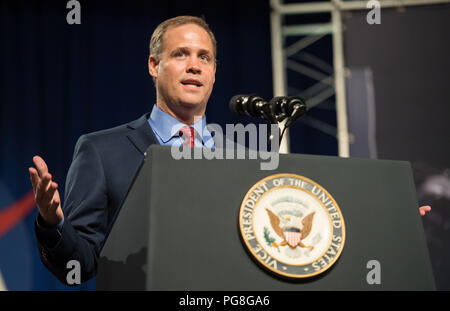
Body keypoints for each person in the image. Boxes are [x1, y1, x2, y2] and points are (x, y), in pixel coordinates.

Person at [29, 15, 431, 285]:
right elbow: (78, 266)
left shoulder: (246, 159)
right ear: (154, 65)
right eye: (180, 54)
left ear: (215, 72)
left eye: (204, 57)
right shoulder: (102, 150)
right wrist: (52, 224)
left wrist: (385, 231)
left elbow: (287, 244)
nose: (194, 65)